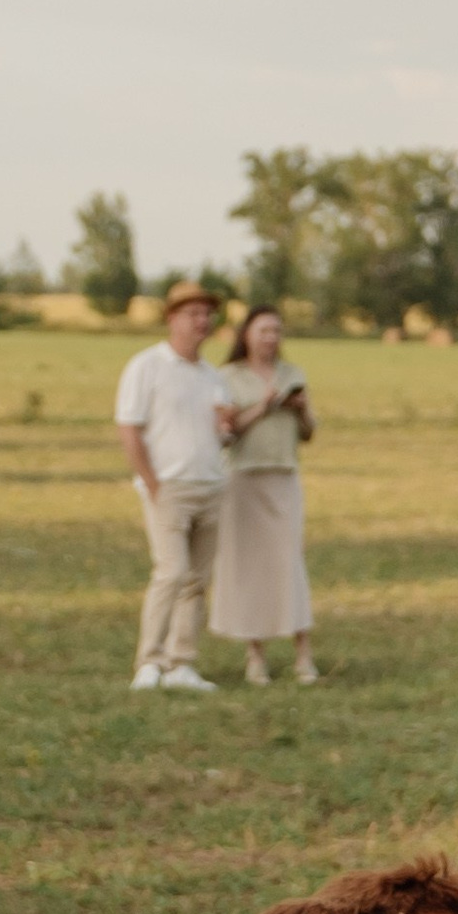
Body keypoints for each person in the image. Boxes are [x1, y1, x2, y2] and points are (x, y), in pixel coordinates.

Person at [113, 279, 230, 690]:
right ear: (172, 319)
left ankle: (182, 662)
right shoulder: (147, 366)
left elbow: (220, 432)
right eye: (193, 314)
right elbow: (129, 427)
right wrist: (151, 481)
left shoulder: (212, 376)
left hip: (211, 484)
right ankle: (149, 660)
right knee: (171, 572)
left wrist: (227, 429)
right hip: (169, 486)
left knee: (198, 579)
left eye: (207, 314)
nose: (202, 321)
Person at [212, 303, 319, 684]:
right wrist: (266, 404)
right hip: (244, 479)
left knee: (288, 562)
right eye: (264, 331)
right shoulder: (229, 377)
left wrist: (301, 410)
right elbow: (227, 432)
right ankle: (254, 654)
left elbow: (308, 432)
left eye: (276, 331)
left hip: (283, 476)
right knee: (249, 568)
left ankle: (303, 654)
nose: (271, 338)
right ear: (247, 335)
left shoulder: (294, 374)